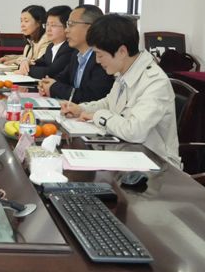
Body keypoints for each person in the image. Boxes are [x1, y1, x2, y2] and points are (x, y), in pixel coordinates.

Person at [61, 14, 180, 167]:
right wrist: (81, 109)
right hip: (127, 154)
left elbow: (134, 131)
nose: (97, 60)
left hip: (156, 165)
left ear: (122, 51)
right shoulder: (125, 71)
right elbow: (109, 103)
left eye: (100, 54)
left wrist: (98, 115)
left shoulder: (155, 82)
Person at [38, 4, 113, 103]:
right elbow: (62, 78)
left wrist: (53, 87)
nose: (66, 30)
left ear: (90, 27)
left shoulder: (101, 58)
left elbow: (91, 96)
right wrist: (46, 84)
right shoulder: (76, 54)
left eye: (71, 24)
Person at [15, 5, 74, 79]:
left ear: (67, 27)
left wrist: (27, 70)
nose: (48, 29)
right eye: (47, 24)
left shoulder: (69, 48)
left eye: (53, 25)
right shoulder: (51, 47)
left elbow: (50, 73)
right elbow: (37, 63)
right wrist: (25, 62)